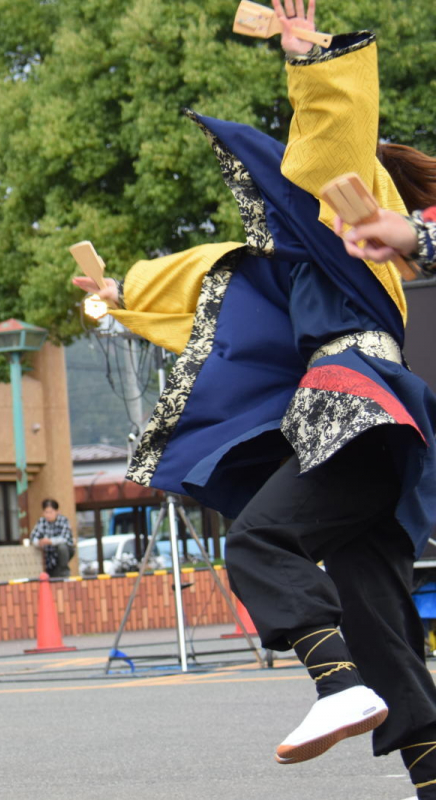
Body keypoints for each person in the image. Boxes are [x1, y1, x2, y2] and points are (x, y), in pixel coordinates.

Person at [73, 2, 436, 792]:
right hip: (366, 430)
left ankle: (336, 690)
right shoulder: (296, 264)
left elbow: (327, 145)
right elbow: (205, 273)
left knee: (258, 542)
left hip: (356, 410)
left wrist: (308, 60)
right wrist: (119, 290)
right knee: (381, 631)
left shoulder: (343, 222)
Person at [29, 499, 74, 578]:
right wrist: (39, 542)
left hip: (63, 552)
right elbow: (33, 537)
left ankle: (64, 571)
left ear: (57, 511)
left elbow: (65, 538)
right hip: (48, 555)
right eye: (46, 512)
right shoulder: (41, 522)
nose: (48, 515)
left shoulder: (63, 520)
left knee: (62, 547)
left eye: (51, 512)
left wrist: (50, 541)